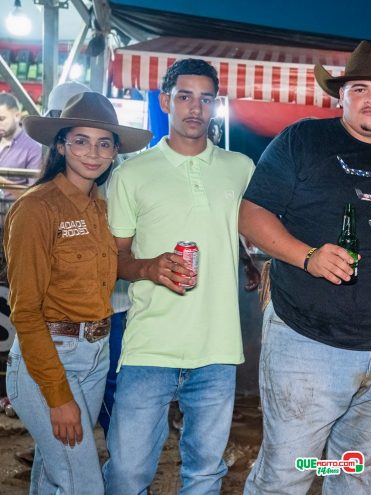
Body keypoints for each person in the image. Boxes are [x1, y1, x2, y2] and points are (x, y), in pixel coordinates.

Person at [239, 40, 371, 494]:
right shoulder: (304, 140)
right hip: (308, 346)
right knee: (289, 472)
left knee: (355, 469)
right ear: (341, 94)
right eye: (360, 88)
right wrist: (306, 256)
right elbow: (251, 214)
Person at [102, 58, 255, 494]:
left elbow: (246, 230)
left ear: (215, 105)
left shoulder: (240, 167)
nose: (195, 108)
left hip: (218, 350)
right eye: (184, 96)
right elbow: (114, 258)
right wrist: (148, 267)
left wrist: (247, 262)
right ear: (165, 100)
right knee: (128, 472)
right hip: (150, 346)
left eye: (206, 98)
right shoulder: (131, 173)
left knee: (205, 472)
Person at [3, 92, 151, 493]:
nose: (93, 152)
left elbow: (110, 266)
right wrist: (57, 396)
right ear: (61, 144)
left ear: (115, 151)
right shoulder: (37, 209)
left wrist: (150, 266)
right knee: (83, 482)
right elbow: (26, 311)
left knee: (56, 477)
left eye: (104, 143)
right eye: (81, 140)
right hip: (48, 359)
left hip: (95, 353)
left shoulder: (104, 206)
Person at [0, 92, 42, 198]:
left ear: (17, 116)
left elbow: (34, 194)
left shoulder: (34, 148)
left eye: (1, 119)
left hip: (13, 211)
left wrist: (3, 182)